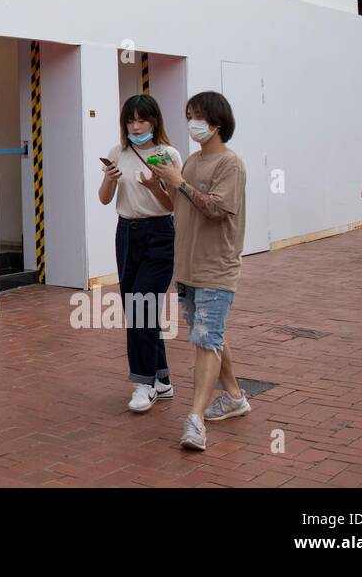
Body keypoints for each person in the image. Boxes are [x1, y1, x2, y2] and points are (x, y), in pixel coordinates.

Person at [150, 91, 249, 452]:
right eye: (189, 114)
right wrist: (159, 187)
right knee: (211, 335)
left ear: (217, 122)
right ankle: (236, 397)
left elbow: (215, 209)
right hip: (187, 268)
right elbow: (178, 205)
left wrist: (179, 183)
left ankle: (195, 418)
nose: (193, 123)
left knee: (206, 341)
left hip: (216, 268)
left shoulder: (230, 164)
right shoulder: (190, 162)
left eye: (199, 116)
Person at [98, 94, 180, 413]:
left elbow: (175, 204)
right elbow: (105, 199)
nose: (135, 126)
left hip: (159, 233)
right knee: (139, 308)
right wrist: (109, 178)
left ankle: (143, 383)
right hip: (127, 234)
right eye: (130, 121)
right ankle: (161, 378)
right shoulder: (117, 152)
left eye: (141, 120)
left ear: (154, 121)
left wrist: (153, 187)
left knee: (142, 304)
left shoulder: (167, 154)